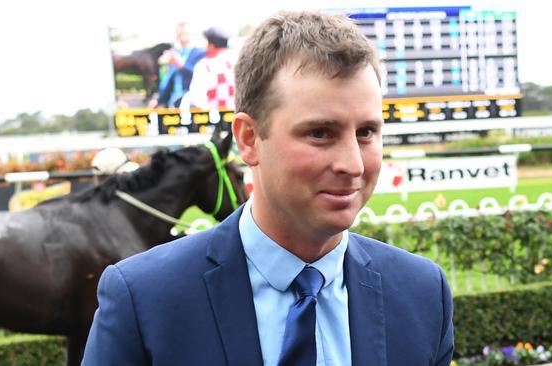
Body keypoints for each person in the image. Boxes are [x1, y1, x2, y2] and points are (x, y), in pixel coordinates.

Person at [82, 10, 453, 366]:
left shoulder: (422, 294)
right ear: (248, 139)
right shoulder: (144, 299)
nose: (353, 164)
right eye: (320, 133)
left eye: (366, 133)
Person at [179, 26, 236, 123]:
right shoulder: (235, 62)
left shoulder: (203, 65)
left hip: (210, 120)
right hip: (234, 118)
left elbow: (196, 96)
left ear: (211, 45)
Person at [148, 22, 205, 108]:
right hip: (173, 101)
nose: (182, 36)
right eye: (180, 33)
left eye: (184, 33)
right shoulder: (175, 52)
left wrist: (180, 65)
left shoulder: (199, 53)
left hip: (190, 102)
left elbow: (201, 77)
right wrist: (159, 99)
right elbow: (168, 79)